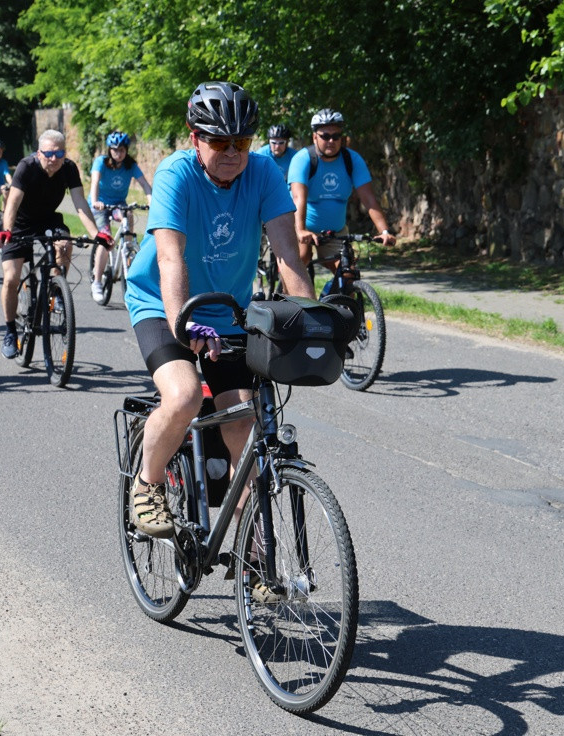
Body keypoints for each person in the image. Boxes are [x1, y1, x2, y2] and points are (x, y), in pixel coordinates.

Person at [123, 81, 314, 542]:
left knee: (244, 422)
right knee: (185, 395)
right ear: (195, 138)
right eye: (219, 141)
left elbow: (288, 254)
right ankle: (147, 485)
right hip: (162, 302)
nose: (232, 152)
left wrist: (313, 318)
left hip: (227, 311)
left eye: (242, 142)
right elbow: (170, 259)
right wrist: (183, 323)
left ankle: (255, 559)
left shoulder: (265, 173)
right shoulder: (175, 175)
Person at [0, 129, 109, 359]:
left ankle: (55, 290)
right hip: (20, 223)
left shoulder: (68, 168)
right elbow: (13, 203)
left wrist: (97, 234)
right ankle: (9, 331)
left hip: (48, 219)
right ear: (39, 153)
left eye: (60, 153)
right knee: (11, 278)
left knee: (65, 245)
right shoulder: (26, 167)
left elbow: (79, 202)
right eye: (49, 153)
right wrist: (7, 229)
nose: (54, 159)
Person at [288, 108, 395, 269]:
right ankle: (285, 294)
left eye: (336, 136)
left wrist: (384, 231)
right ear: (315, 137)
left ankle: (333, 295)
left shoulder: (352, 160)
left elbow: (369, 199)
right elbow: (298, 198)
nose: (331, 140)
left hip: (335, 231)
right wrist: (301, 230)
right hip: (301, 225)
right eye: (325, 136)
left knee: (347, 274)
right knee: (301, 259)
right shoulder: (303, 159)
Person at [88, 131, 152, 304]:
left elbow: (145, 185)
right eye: (115, 150)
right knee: (105, 237)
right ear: (110, 150)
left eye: (122, 150)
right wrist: (95, 201)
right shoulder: (101, 162)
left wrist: (152, 202)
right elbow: (94, 182)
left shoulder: (130, 165)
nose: (118, 153)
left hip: (118, 204)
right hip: (100, 205)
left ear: (126, 150)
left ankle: (127, 245)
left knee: (128, 214)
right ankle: (97, 282)